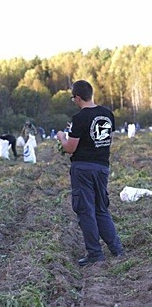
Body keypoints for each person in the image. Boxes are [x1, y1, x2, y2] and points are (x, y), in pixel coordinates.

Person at [56, 80, 124, 266]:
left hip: (83, 168)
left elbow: (70, 148)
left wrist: (62, 137)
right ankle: (116, 248)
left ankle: (95, 253)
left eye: (73, 98)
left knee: (86, 210)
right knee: (101, 208)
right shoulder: (107, 114)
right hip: (102, 167)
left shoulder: (79, 118)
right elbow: (107, 139)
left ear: (77, 97)